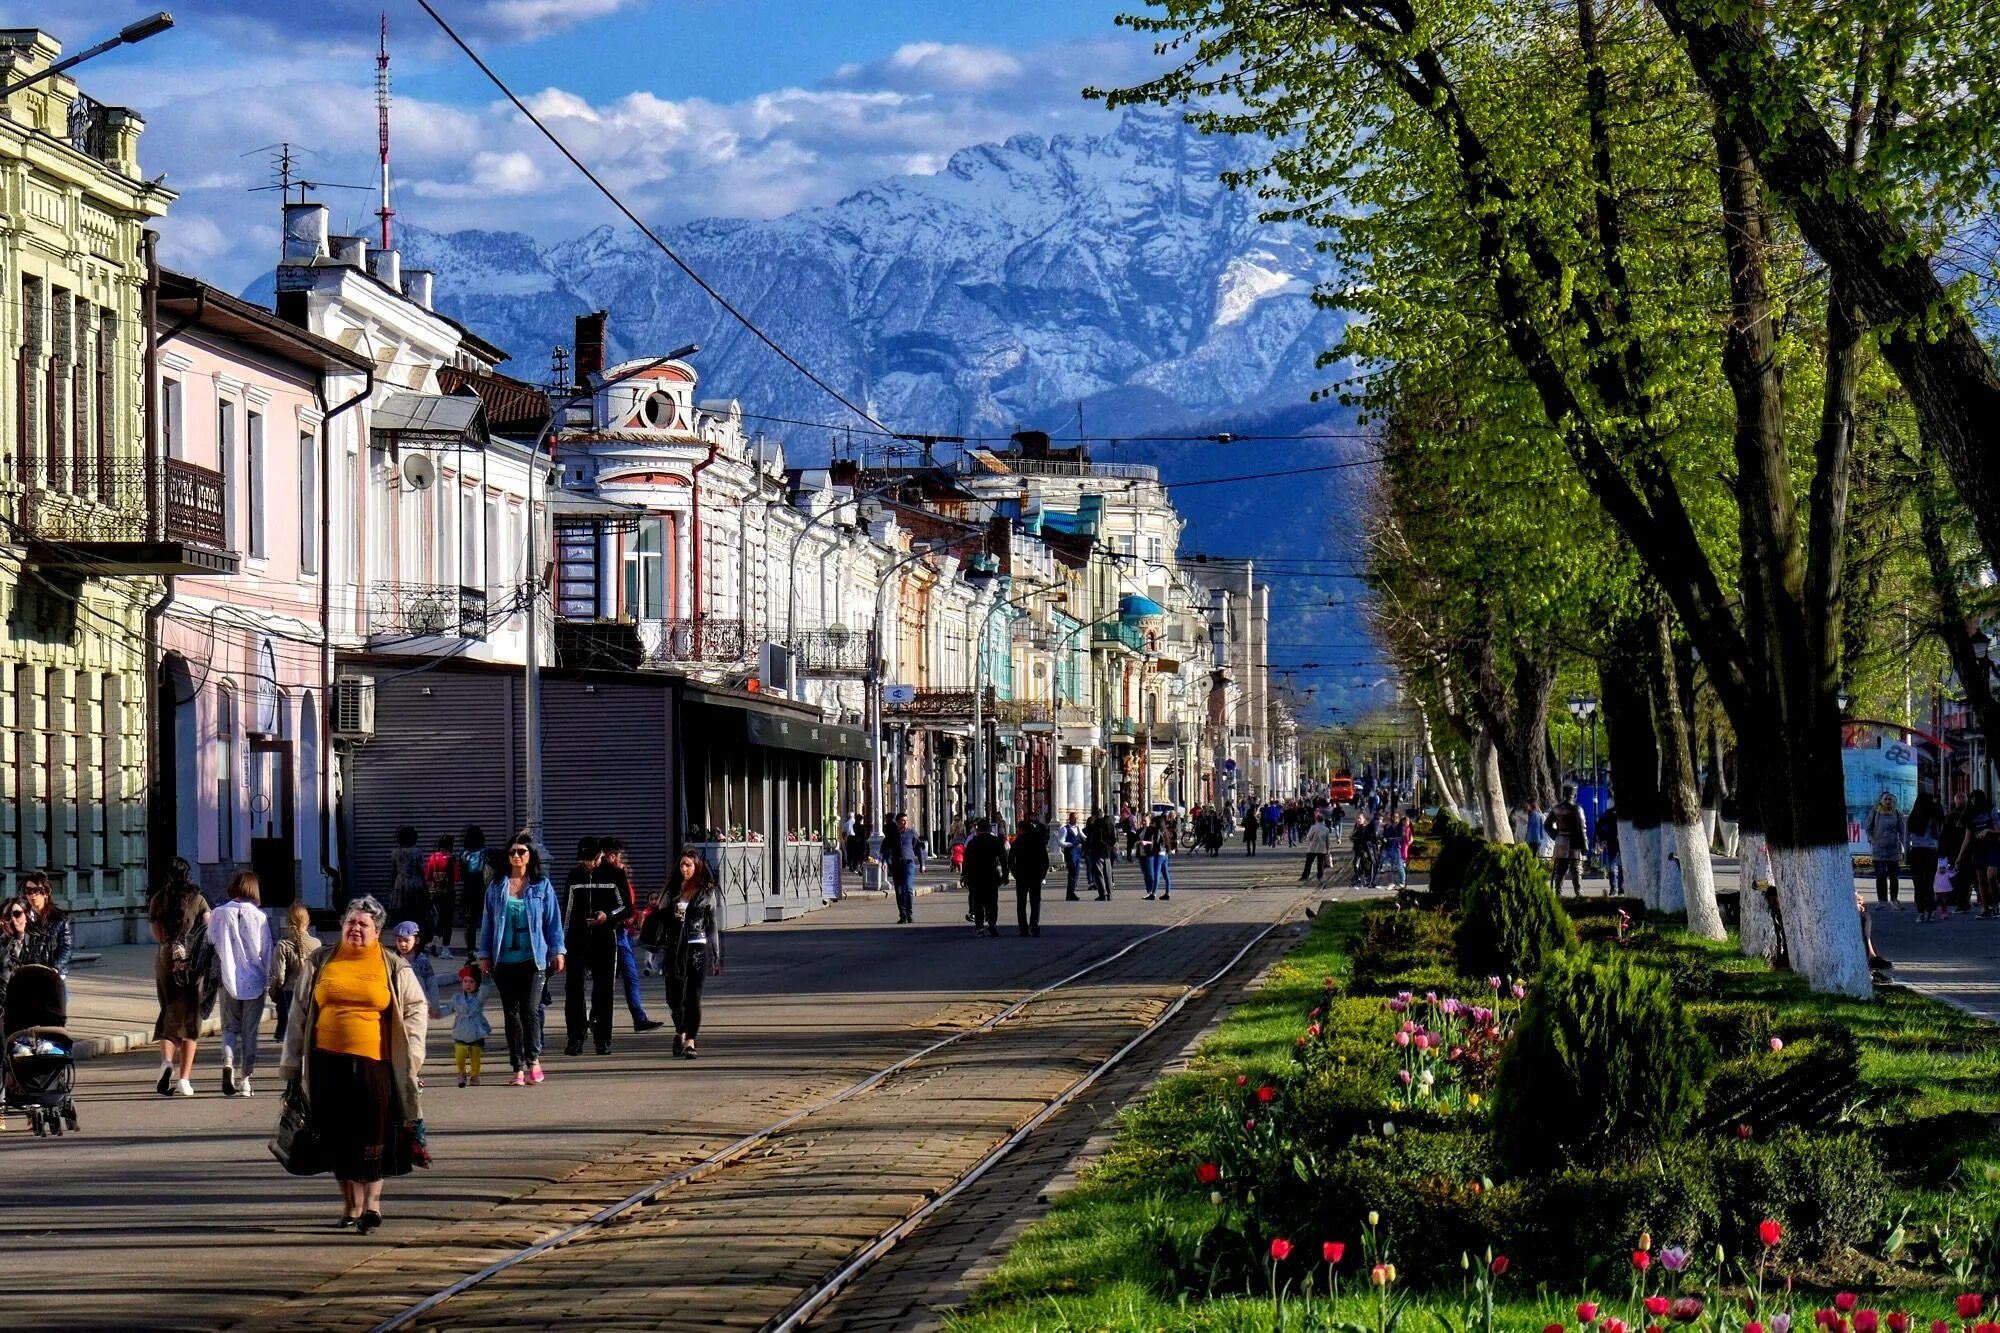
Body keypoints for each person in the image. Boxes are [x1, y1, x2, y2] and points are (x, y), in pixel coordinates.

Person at [277, 895, 427, 1234]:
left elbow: (416, 1010)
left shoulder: (392, 965)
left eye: (363, 924)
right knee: (337, 1135)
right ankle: (351, 1205)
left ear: (377, 931)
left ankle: (371, 1205)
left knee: (373, 1133)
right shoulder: (321, 960)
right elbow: (299, 1013)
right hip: (325, 1062)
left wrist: (413, 1057)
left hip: (377, 1063)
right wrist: (290, 1066)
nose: (355, 928)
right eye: (350, 922)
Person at [476, 836, 566, 1085]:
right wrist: (484, 955)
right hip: (504, 961)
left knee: (530, 1010)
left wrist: (558, 951)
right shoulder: (496, 886)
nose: (517, 856)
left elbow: (552, 921)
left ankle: (534, 1059)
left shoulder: (541, 886)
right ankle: (517, 1067)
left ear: (530, 856)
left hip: (533, 959)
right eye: (512, 852)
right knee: (511, 1014)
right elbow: (488, 924)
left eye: (522, 851)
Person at [149, 857, 213, 1098]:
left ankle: (167, 1061)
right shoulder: (197, 899)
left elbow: (156, 932)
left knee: (168, 1012)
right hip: (191, 961)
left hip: (165, 959)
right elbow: (208, 927)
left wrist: (169, 944)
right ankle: (184, 1079)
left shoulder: (158, 900)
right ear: (187, 876)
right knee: (190, 1019)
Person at [564, 836, 633, 1056]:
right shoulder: (575, 876)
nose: (589, 864)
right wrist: (561, 943)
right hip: (577, 938)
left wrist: (607, 915)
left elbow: (627, 908)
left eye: (592, 859)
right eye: (584, 860)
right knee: (573, 989)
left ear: (600, 855)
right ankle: (575, 1037)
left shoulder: (615, 874)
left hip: (604, 937)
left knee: (604, 990)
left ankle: (602, 1039)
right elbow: (567, 909)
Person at [208, 871, 273, 1098]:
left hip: (228, 977)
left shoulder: (219, 913)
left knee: (229, 1028)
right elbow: (266, 951)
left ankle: (227, 1064)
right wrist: (268, 979)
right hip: (254, 980)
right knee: (250, 1031)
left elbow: (210, 940)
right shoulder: (260, 917)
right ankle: (246, 1079)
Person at [658, 850, 718, 1058]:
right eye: (682, 865)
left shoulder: (705, 892)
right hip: (675, 947)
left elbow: (712, 925)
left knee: (693, 996)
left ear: (696, 868)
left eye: (689, 865)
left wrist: (715, 953)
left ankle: (691, 1041)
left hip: (697, 946)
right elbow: (661, 918)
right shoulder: (671, 891)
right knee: (673, 996)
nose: (685, 869)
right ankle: (680, 1029)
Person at [599, 841, 665, 1034]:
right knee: (608, 979)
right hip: (614, 933)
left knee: (628, 977)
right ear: (611, 857)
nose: (624, 864)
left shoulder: (621, 879)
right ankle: (597, 1018)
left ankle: (638, 1018)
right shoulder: (606, 878)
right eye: (621, 858)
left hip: (624, 934)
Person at [268, 901, 322, 1051]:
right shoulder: (317, 944)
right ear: (308, 921)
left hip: (290, 993)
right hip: (311, 993)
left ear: (287, 922)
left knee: (290, 1040)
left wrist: (274, 992)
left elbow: (278, 975)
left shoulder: (283, 945)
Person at [18, 872, 73, 978]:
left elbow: (66, 948)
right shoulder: (21, 918)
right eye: (28, 891)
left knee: (60, 994)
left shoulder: (59, 919)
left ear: (46, 893)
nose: (32, 895)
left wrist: (55, 968)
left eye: (36, 891)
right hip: (26, 972)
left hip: (52, 974)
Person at [961, 818, 1009, 937]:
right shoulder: (996, 841)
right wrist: (1005, 874)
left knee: (978, 902)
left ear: (978, 829)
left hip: (976, 876)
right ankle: (992, 924)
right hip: (991, 875)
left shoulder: (973, 842)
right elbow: (1004, 859)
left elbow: (966, 861)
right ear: (989, 829)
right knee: (992, 901)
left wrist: (964, 876)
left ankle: (980, 927)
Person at [447, 965, 492, 1087]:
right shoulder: (457, 998)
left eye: (472, 982)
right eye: (465, 981)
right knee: (459, 1054)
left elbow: (486, 989)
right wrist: (436, 1012)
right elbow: (448, 1009)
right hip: (461, 1030)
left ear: (477, 984)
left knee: (475, 1056)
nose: (468, 984)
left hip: (476, 1030)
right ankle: (461, 1072)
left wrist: (486, 977)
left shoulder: (479, 997)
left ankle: (475, 1075)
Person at [1009, 815, 1051, 936]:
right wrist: (1042, 874)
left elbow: (1011, 859)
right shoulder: (1038, 841)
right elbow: (1045, 860)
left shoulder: (1018, 842)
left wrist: (1015, 872)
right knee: (1035, 901)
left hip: (1021, 875)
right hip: (1035, 876)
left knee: (1021, 903)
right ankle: (1034, 925)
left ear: (1022, 830)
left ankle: (1023, 928)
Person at [1907, 790, 1945, 922]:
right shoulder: (1931, 816)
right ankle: (1928, 910)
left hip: (1919, 850)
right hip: (1929, 851)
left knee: (1920, 883)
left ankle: (1923, 911)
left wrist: (1907, 853)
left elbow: (1908, 837)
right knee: (1926, 882)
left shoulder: (1915, 816)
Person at [391, 921, 441, 1019]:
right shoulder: (392, 960)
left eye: (406, 940)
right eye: (399, 941)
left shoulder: (422, 961)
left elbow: (432, 984)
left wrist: (435, 1006)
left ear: (416, 940)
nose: (402, 944)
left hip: (418, 1007)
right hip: (397, 1007)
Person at [1867, 791, 1908, 908]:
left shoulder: (1897, 813)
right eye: (1885, 799)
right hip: (1879, 849)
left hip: (1893, 850)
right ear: (1881, 801)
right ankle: (1882, 901)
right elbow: (1868, 828)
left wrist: (1903, 848)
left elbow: (1902, 831)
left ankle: (1894, 899)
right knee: (1880, 876)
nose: (1888, 801)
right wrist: (1871, 839)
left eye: (1890, 799)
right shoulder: (1875, 812)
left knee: (1894, 876)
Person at [457, 826, 492, 958]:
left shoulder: (463, 855)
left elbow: (462, 875)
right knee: (486, 919)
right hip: (483, 888)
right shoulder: (486, 853)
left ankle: (470, 948)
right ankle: (485, 947)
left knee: (470, 922)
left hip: (468, 890)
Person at [1547, 787, 1589, 897]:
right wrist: (1585, 845)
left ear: (1563, 794)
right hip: (1574, 843)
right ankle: (1578, 893)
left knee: (1560, 870)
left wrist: (1556, 834)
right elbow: (1582, 828)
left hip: (1561, 842)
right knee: (1576, 870)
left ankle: (1558, 893)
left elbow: (1547, 825)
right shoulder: (1577, 808)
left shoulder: (1556, 809)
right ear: (1574, 795)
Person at [388, 826, 429, 939]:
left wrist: (392, 890)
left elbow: (393, 872)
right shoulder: (418, 852)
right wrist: (426, 887)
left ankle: (404, 938)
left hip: (400, 885)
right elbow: (421, 870)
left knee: (402, 914)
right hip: (416, 884)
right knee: (417, 914)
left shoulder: (395, 853)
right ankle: (415, 938)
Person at [424, 834, 459, 958]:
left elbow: (428, 875)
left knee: (438, 919)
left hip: (435, 892)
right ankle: (445, 949)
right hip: (449, 893)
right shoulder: (452, 859)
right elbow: (456, 877)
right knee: (447, 921)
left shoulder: (433, 857)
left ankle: (432, 944)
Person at [887, 814, 919, 923]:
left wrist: (922, 863)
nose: (904, 823)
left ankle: (910, 914)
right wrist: (884, 862)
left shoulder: (911, 833)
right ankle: (903, 915)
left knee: (908, 888)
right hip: (896, 864)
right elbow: (886, 848)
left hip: (908, 863)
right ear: (897, 822)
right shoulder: (892, 834)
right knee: (899, 890)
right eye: (902, 821)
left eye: (906, 821)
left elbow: (918, 847)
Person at [1085, 808, 1117, 898]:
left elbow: (1089, 835)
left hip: (1097, 851)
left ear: (1095, 816)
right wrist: (1110, 845)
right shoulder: (1110, 822)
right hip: (1107, 851)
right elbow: (1114, 837)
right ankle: (1110, 893)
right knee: (1108, 873)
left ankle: (1103, 893)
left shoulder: (1095, 824)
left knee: (1099, 873)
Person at [1146, 813, 1173, 901]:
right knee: (1166, 874)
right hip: (1165, 853)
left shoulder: (1157, 831)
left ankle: (1153, 894)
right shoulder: (1164, 830)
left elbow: (1156, 842)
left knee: (1157, 874)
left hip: (1158, 854)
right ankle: (1167, 892)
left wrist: (1151, 847)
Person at [1597, 801, 1623, 894]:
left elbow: (1599, 827)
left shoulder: (1606, 814)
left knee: (1611, 865)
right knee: (1621, 865)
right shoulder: (1623, 812)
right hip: (1622, 842)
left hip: (1611, 842)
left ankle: (1614, 888)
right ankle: (1621, 888)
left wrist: (1603, 839)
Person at [1060, 813, 1085, 900]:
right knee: (1072, 872)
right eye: (1075, 818)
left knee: (1077, 872)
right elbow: (1061, 842)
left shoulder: (1078, 828)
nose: (1076, 820)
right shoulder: (1065, 829)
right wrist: (1070, 844)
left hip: (1077, 852)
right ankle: (1070, 893)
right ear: (1070, 818)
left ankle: (1072, 891)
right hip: (1070, 852)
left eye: (1077, 818)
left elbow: (1083, 837)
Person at [1300, 815, 1330, 883]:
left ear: (1316, 819)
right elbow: (1327, 840)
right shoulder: (1326, 829)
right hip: (1322, 848)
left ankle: (1305, 876)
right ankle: (1320, 876)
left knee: (1309, 863)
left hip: (1313, 847)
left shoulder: (1313, 827)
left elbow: (1309, 837)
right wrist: (1328, 849)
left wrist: (1310, 841)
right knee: (1320, 863)